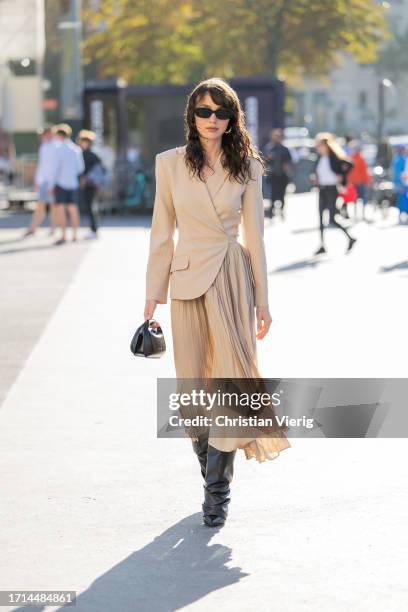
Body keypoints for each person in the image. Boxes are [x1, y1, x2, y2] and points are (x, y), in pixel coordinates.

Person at [144, 78, 290, 528]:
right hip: (186, 279)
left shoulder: (247, 165)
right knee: (190, 391)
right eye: (204, 111)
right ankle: (211, 461)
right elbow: (161, 232)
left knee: (230, 380)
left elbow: (256, 237)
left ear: (231, 119)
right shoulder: (168, 164)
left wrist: (263, 300)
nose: (212, 120)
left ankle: (217, 491)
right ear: (192, 115)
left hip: (231, 276)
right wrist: (152, 298)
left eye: (220, 112)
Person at [311, 132, 357, 255]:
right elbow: (318, 172)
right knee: (320, 218)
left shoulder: (334, 157)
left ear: (326, 145)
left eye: (320, 145)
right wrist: (315, 179)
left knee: (332, 219)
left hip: (332, 189)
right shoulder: (319, 158)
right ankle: (322, 245)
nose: (318, 147)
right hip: (322, 188)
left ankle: (350, 237)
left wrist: (342, 177)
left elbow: (350, 164)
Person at [49, 124, 85, 245]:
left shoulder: (58, 150)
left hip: (61, 183)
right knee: (73, 209)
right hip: (73, 183)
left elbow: (54, 169)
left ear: (59, 135)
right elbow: (80, 168)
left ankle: (63, 235)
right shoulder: (76, 149)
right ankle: (75, 234)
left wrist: (51, 185)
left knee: (61, 209)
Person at [23, 127, 58, 236]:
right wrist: (37, 181)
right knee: (40, 206)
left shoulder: (57, 146)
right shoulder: (44, 147)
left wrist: (54, 183)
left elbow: (56, 167)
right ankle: (32, 228)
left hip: (54, 182)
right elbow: (42, 165)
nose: (43, 136)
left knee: (53, 207)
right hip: (44, 181)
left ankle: (53, 229)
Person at [77, 129, 103, 239]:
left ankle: (94, 229)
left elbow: (85, 171)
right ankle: (94, 229)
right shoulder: (94, 154)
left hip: (89, 184)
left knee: (90, 206)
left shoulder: (87, 154)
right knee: (92, 206)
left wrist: (82, 181)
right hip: (94, 184)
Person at [262, 128, 292, 219]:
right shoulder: (268, 148)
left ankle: (282, 210)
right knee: (272, 193)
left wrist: (287, 168)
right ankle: (272, 211)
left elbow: (289, 160)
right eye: (275, 136)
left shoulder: (285, 149)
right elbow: (264, 160)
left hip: (282, 175)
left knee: (282, 194)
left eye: (278, 136)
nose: (277, 138)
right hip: (272, 175)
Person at [347, 141, 371, 221]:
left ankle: (357, 215)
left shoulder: (351, 158)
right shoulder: (358, 158)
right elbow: (364, 171)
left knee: (356, 199)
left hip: (356, 182)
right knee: (360, 198)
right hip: (358, 182)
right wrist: (367, 181)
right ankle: (360, 215)